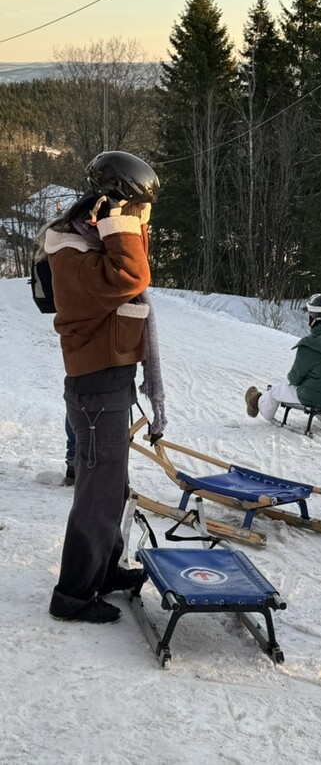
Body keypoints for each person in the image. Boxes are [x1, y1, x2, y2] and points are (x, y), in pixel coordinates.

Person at [42, 150, 164, 625]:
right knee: (97, 494)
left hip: (107, 380)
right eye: (135, 211)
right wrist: (121, 224)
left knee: (113, 487)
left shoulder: (85, 240)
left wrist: (121, 222)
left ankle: (105, 570)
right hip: (97, 386)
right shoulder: (75, 250)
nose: (138, 221)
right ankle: (73, 595)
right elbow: (134, 274)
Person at [245, 293, 321, 422]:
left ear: (313, 319)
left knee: (277, 391)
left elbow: (294, 379)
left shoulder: (310, 345)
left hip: (317, 398)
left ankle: (256, 402)